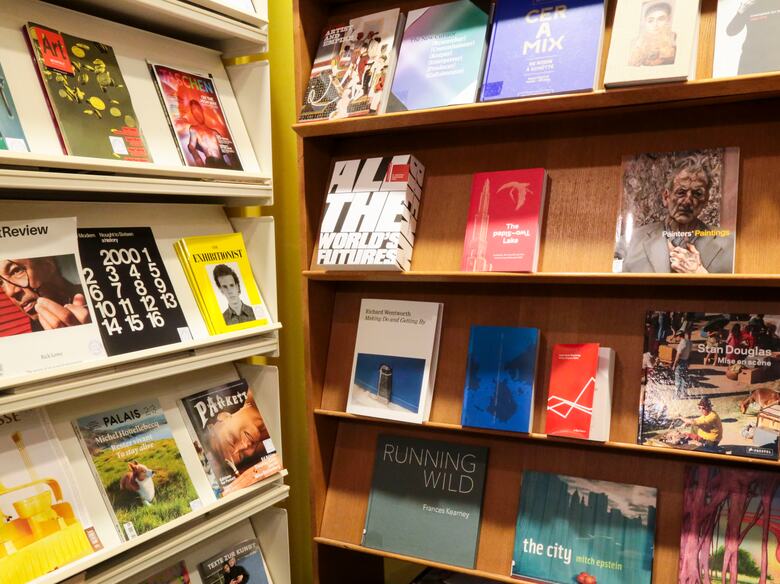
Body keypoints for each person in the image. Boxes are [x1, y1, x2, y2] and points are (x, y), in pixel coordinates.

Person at [622, 154, 735, 273]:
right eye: (681, 192)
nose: (687, 201)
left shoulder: (731, 244)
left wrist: (701, 275)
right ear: (666, 197)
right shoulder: (631, 241)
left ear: (706, 200)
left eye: (697, 194)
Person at [0, 256, 91, 332]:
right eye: (1, 282)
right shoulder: (37, 322)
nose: (9, 292)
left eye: (16, 271)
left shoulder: (94, 299)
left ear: (48, 265)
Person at [207, 389, 270, 477]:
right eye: (242, 455)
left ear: (224, 416)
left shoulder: (264, 389)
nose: (245, 446)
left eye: (232, 439)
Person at [726, 0, 780, 75]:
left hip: (774, 59)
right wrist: (741, 10)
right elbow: (731, 31)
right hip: (750, 60)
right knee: (744, 86)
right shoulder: (750, 5)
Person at [629, 1, 677, 67]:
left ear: (668, 20)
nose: (655, 24)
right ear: (645, 23)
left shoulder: (675, 40)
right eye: (650, 21)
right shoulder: (637, 44)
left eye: (661, 19)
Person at [186, 99, 231, 169]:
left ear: (201, 110)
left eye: (197, 110)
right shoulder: (194, 129)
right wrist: (197, 159)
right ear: (193, 114)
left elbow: (228, 151)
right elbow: (191, 146)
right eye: (194, 112)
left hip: (223, 164)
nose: (197, 114)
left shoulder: (215, 132)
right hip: (211, 162)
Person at [672, 329, 693, 397]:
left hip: (680, 362)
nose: (676, 338)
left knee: (678, 378)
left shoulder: (681, 344)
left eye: (676, 336)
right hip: (686, 361)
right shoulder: (689, 342)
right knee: (684, 378)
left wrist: (674, 365)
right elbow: (690, 352)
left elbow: (678, 355)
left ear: (679, 336)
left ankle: (677, 395)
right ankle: (684, 393)